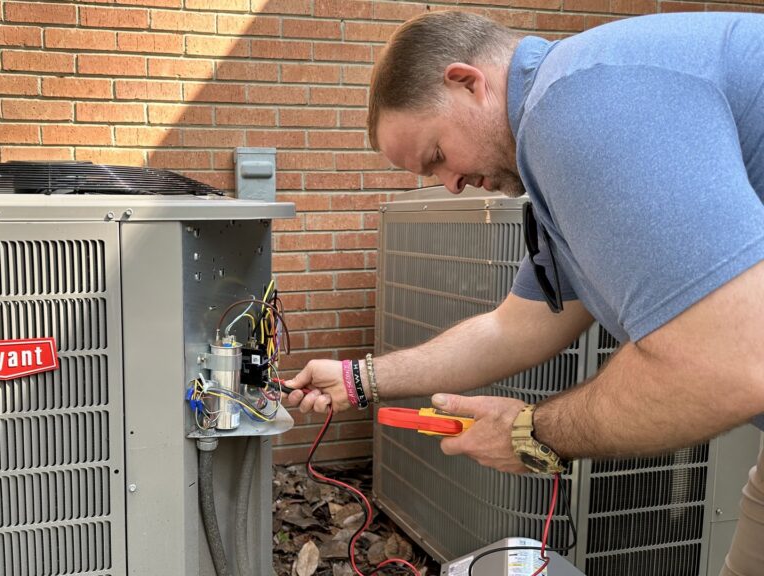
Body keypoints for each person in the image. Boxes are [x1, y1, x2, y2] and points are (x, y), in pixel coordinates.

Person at [282, 10, 764, 575]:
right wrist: (358, 380)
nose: (450, 185)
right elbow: (513, 327)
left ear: (468, 81)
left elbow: (725, 364)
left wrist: (534, 433)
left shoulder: (578, 105)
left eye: (437, 156)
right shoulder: (560, 149)